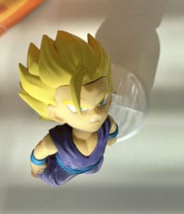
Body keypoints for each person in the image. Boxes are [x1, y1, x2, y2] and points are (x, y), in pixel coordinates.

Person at [18, 31, 118, 186]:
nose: (96, 114)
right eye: (80, 108)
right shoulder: (60, 140)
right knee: (55, 180)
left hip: (94, 163)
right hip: (65, 169)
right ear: (56, 114)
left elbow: (112, 130)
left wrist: (112, 137)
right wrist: (36, 166)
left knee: (94, 168)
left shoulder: (106, 124)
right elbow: (41, 151)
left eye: (102, 101)